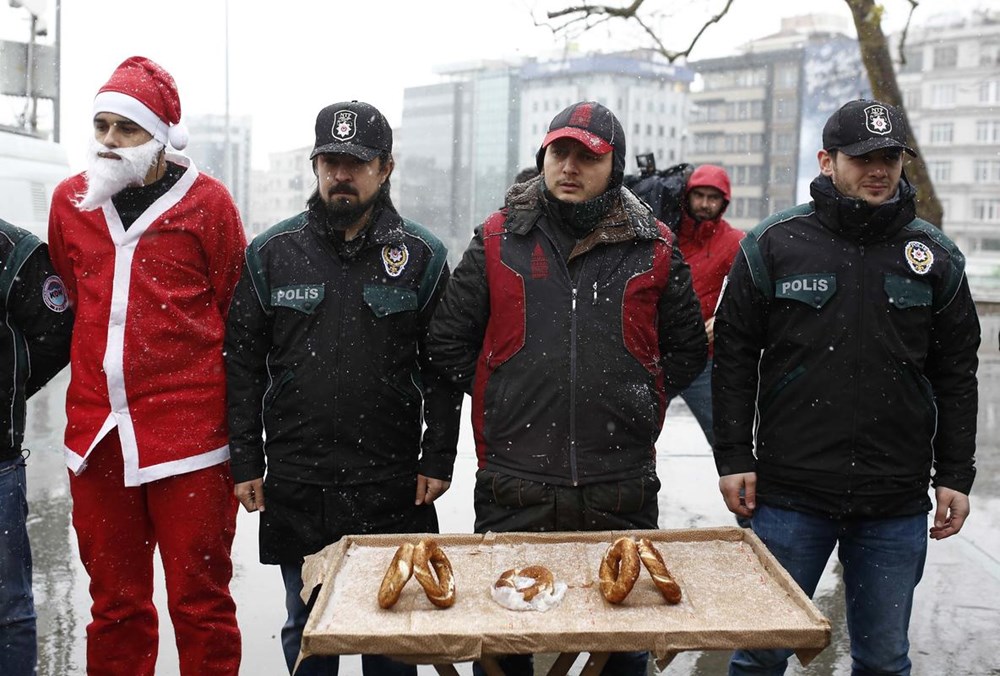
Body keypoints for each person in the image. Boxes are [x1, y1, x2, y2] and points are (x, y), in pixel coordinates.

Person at [428, 101, 707, 675]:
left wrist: (638, 396)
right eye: (560, 152)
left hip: (620, 483)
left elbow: (686, 349)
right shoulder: (499, 238)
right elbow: (448, 343)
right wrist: (503, 394)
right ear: (544, 157)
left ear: (615, 165)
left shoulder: (653, 247)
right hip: (516, 482)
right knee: (507, 642)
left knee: (621, 646)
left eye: (588, 156)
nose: (570, 167)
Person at [712, 99, 980, 675]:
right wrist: (734, 456)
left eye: (889, 157)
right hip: (789, 498)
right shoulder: (774, 244)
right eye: (862, 158)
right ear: (827, 161)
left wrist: (955, 474)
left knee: (884, 662)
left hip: (894, 502)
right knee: (760, 656)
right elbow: (733, 355)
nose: (878, 169)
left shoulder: (934, 257)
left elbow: (957, 371)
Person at [225, 100, 462, 676]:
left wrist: (440, 456)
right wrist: (244, 460)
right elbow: (241, 364)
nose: (341, 175)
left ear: (385, 168)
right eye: (330, 161)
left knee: (391, 636)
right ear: (315, 167)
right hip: (298, 479)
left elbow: (444, 369)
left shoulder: (422, 258)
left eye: (355, 163)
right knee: (309, 626)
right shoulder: (272, 254)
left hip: (391, 481)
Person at [47, 56, 245, 675]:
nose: (107, 141)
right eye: (101, 125)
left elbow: (233, 312)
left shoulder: (209, 206)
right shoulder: (70, 202)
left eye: (125, 129)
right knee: (115, 607)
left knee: (201, 604)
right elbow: (75, 301)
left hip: (190, 439)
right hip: (98, 437)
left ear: (159, 137)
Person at [0, 218, 73, 676]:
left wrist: (6, 394)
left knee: (8, 609)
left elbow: (56, 331)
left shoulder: (13, 250)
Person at [668, 165, 743, 447]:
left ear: (724, 202)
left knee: (725, 438)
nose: (704, 204)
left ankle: (742, 491)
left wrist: (723, 320)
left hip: (706, 358)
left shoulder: (735, 242)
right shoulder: (669, 235)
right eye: (698, 195)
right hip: (665, 354)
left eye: (713, 197)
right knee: (635, 434)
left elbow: (747, 296)